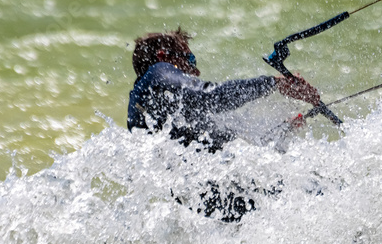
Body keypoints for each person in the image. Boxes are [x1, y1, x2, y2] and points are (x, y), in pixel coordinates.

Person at [127, 28, 321, 151]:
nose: (196, 70)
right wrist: (275, 83)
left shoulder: (151, 103)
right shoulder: (158, 71)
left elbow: (220, 137)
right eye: (190, 60)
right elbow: (211, 96)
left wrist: (281, 130)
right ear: (163, 57)